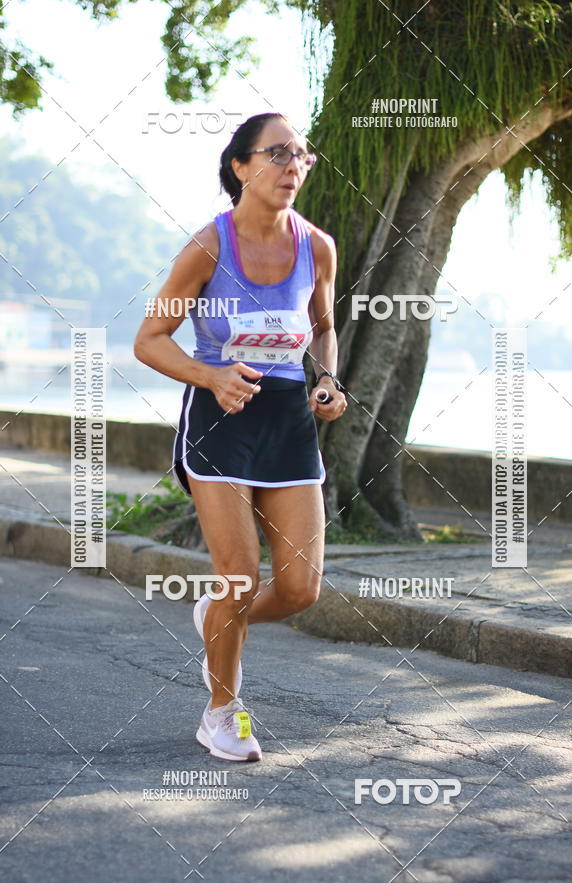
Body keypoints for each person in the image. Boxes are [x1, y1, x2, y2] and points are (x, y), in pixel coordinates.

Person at [134, 111, 347, 762]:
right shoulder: (208, 247)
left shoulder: (317, 247)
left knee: (300, 587)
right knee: (236, 573)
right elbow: (149, 340)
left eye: (302, 155)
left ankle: (214, 618)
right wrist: (212, 375)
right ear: (241, 167)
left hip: (286, 421)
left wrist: (328, 381)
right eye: (277, 153)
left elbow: (323, 326)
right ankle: (221, 712)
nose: (293, 165)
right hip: (219, 419)